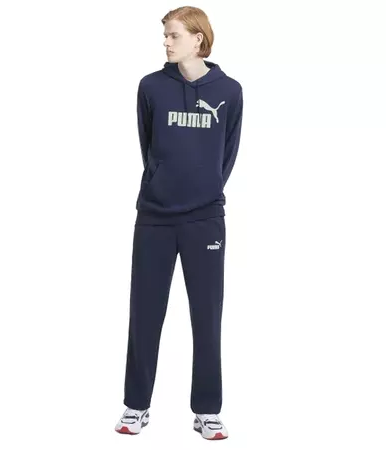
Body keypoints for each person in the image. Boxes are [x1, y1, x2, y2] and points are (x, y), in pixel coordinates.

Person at [115, 6, 243, 440]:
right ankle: (136, 405)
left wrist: (205, 188)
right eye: (165, 35)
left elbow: (227, 153)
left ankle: (207, 410)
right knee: (144, 314)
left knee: (207, 317)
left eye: (173, 35)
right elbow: (147, 144)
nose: (166, 42)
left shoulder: (230, 91)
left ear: (197, 39)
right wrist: (161, 182)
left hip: (205, 219)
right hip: (154, 217)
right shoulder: (151, 86)